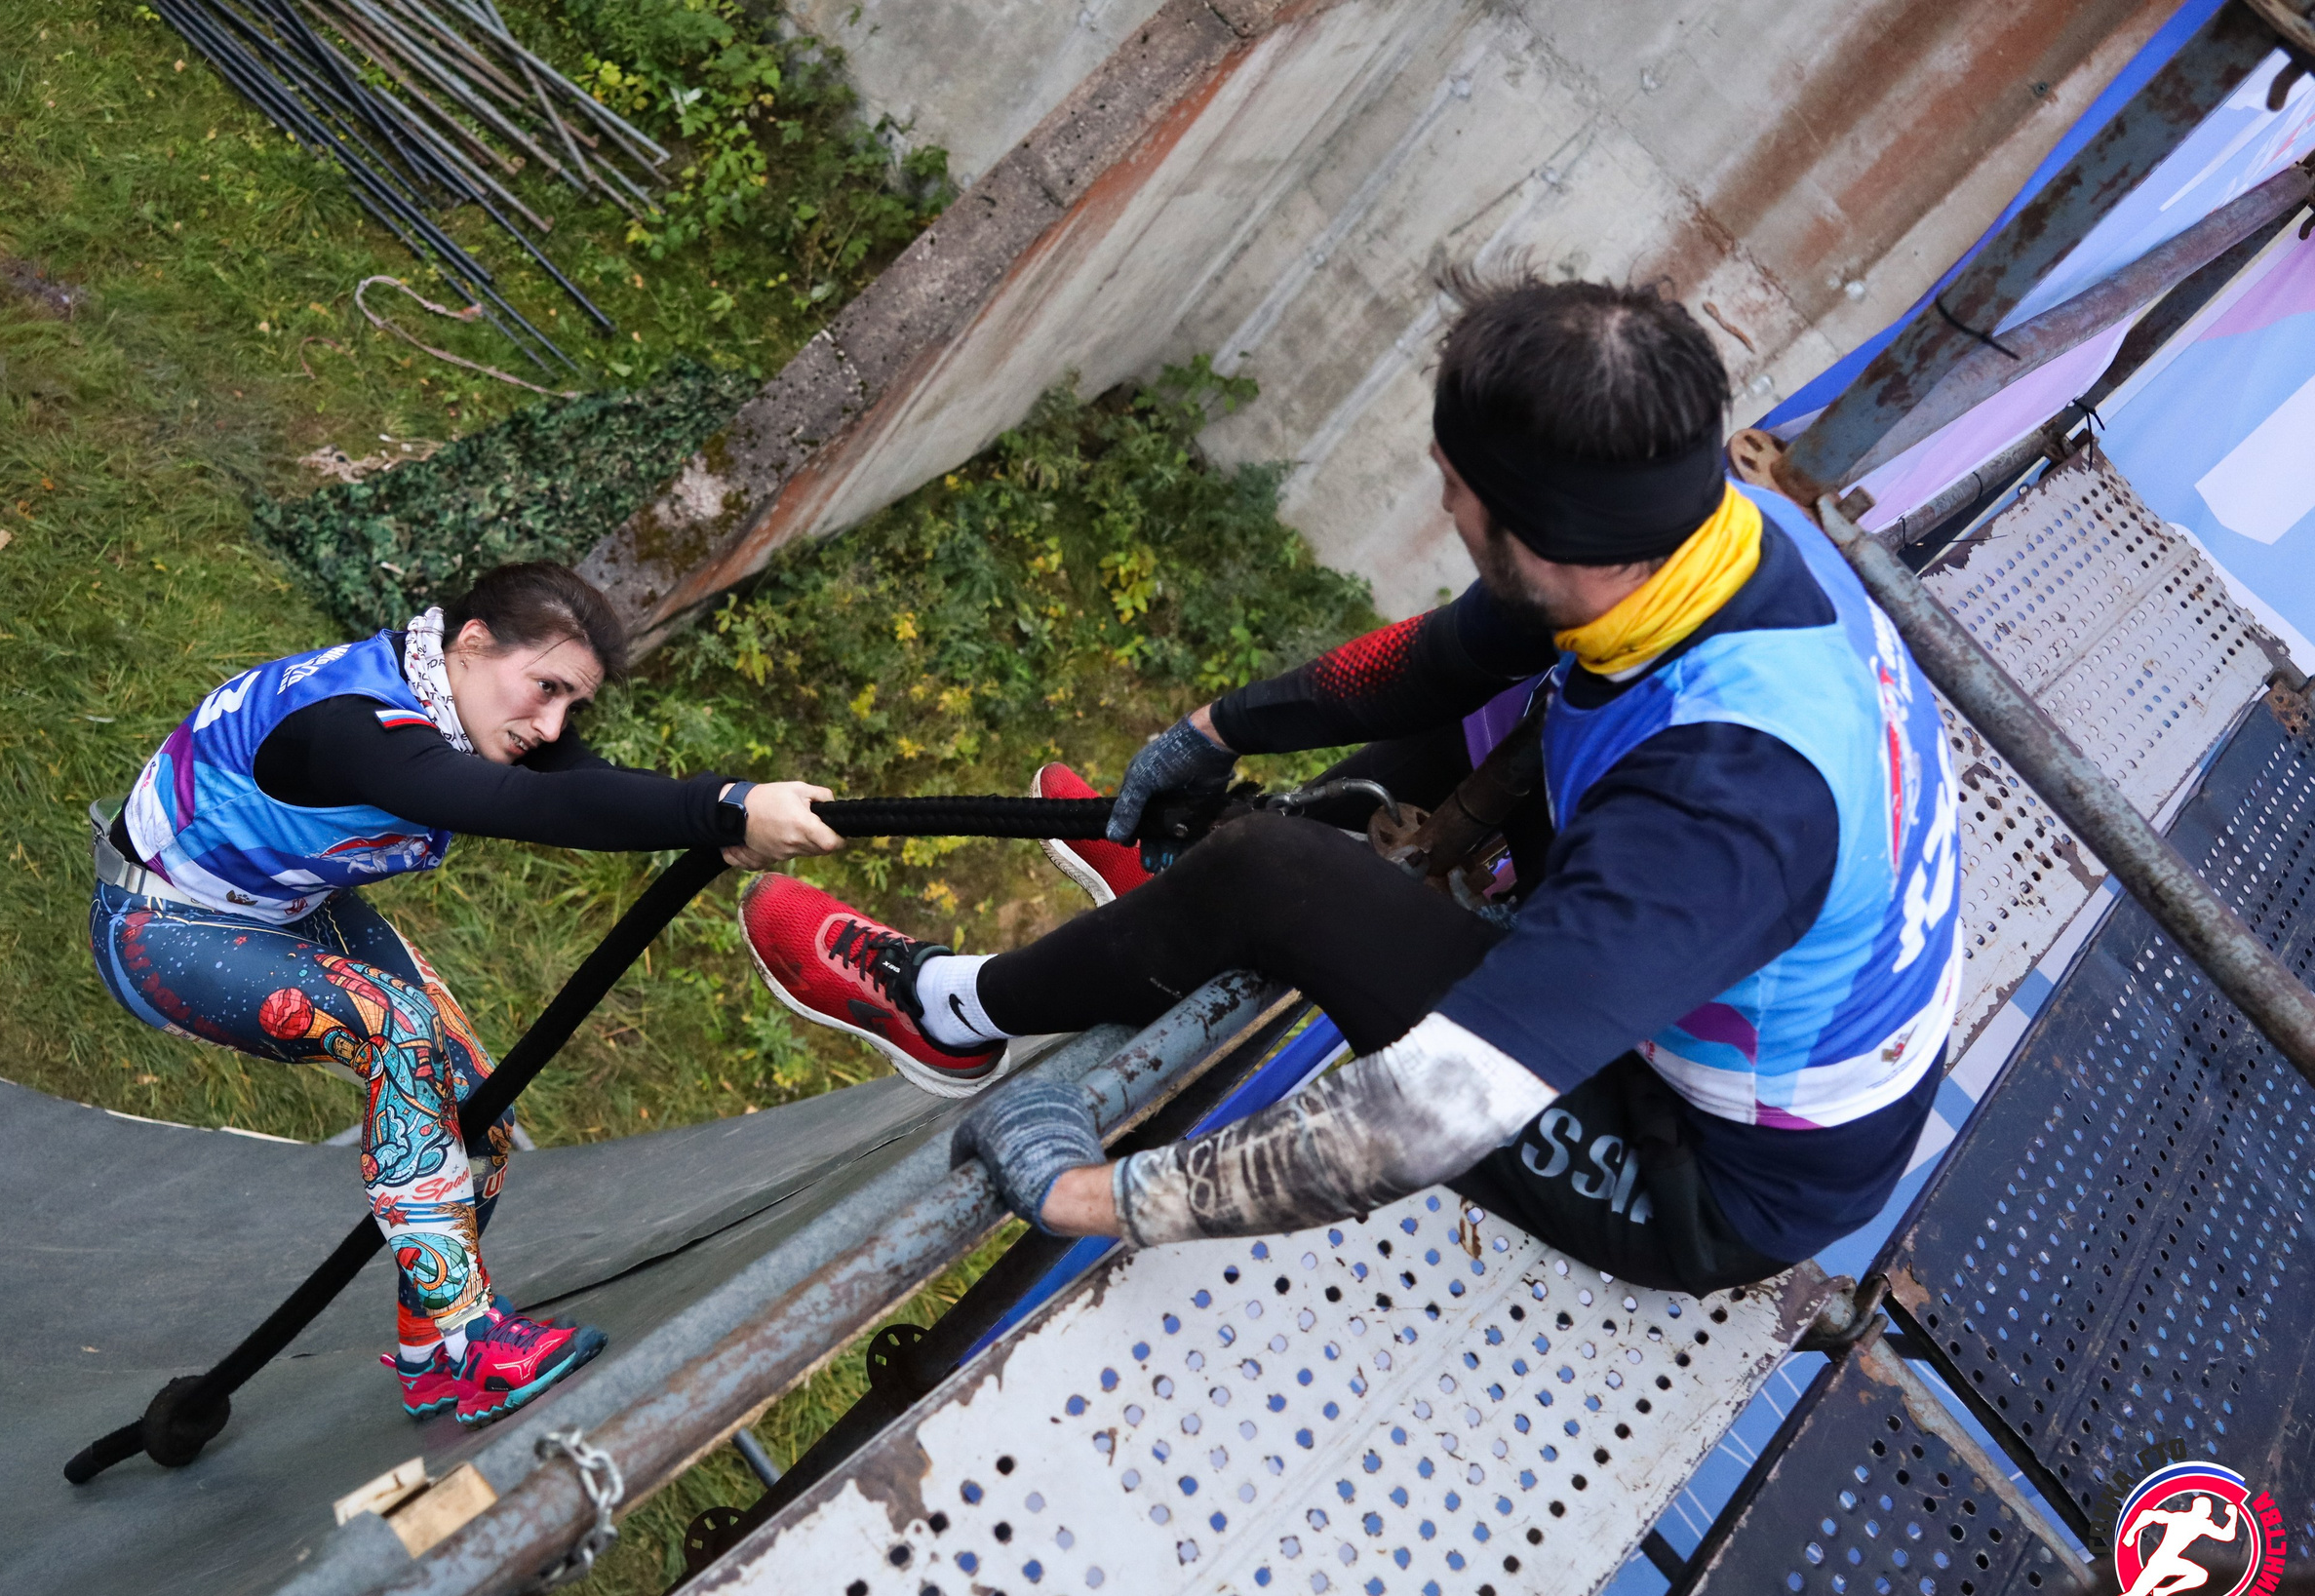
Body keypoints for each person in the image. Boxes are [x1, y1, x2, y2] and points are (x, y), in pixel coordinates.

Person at [737, 273, 1962, 1296]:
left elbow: (1419, 1118)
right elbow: (1447, 657)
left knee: (1284, 874)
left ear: (1529, 527)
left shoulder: (1721, 806)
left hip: (1695, 1176)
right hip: (1721, 940)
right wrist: (1215, 729)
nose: (1437, 493)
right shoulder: (1707, 538)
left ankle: (954, 1013)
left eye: (1449, 479)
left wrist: (1088, 1192)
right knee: (1472, 715)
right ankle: (1190, 900)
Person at [89, 562, 845, 1424]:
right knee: (397, 1029)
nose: (551, 723)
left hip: (285, 906)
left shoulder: (456, 695)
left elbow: (582, 783)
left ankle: (430, 1357)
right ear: (473, 643)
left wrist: (728, 803)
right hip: (159, 927)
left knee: (477, 1103)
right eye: (545, 689)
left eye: (573, 705)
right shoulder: (356, 725)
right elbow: (518, 805)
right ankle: (468, 1340)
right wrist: (724, 814)